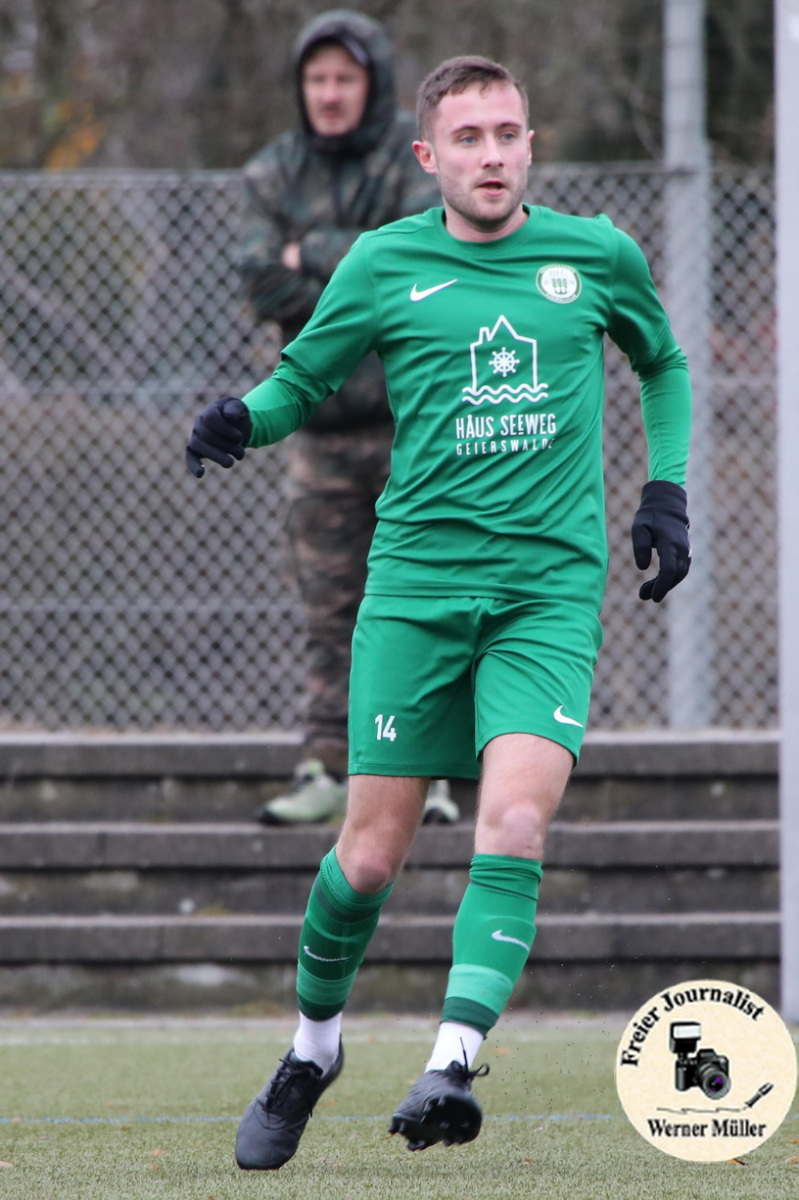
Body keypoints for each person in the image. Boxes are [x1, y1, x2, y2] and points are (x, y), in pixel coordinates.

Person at [186, 55, 691, 1169]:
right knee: (369, 857)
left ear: (530, 145)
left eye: (508, 134)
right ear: (428, 156)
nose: (492, 155)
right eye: (468, 138)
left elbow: (661, 362)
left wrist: (666, 489)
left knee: (514, 825)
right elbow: (302, 380)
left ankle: (451, 1062)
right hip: (413, 592)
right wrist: (241, 419)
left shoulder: (595, 254)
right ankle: (314, 1049)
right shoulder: (383, 261)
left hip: (546, 595)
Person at [236, 9, 455, 826]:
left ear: (374, 84)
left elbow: (422, 260)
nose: (329, 94)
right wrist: (362, 266)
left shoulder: (412, 156)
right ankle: (325, 768)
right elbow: (261, 282)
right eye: (316, 79)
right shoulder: (271, 171)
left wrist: (314, 254)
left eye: (344, 79)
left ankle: (429, 772)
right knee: (329, 611)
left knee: (423, 602)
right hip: (318, 436)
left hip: (414, 433)